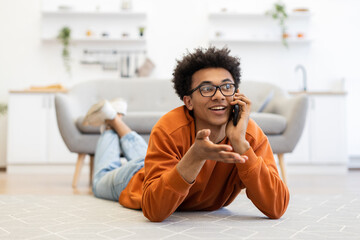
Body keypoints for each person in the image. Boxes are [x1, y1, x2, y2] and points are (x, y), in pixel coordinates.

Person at [85, 46, 289, 222]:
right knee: (100, 180)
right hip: (134, 177)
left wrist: (240, 143)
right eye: (207, 88)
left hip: (158, 164)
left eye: (227, 87)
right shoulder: (168, 128)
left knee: (142, 155)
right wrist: (195, 156)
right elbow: (155, 211)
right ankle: (111, 123)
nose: (219, 96)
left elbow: (277, 207)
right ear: (188, 101)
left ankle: (115, 117)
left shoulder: (249, 134)